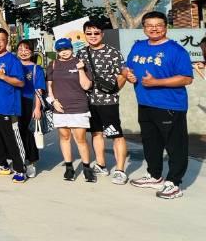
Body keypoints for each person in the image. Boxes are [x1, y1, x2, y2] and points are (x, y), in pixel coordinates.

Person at [123, 11, 194, 199]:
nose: (154, 28)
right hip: (145, 103)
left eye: (158, 25)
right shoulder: (138, 46)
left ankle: (174, 183)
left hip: (169, 105)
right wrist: (128, 75)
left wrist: (157, 82)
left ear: (165, 27)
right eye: (149, 25)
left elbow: (186, 79)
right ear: (144, 27)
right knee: (150, 143)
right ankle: (154, 175)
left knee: (175, 145)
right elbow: (127, 67)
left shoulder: (176, 51)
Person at [77, 20, 129, 185]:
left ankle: (120, 170)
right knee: (96, 133)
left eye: (96, 33)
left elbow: (124, 73)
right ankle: (101, 165)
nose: (92, 36)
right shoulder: (81, 53)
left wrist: (115, 90)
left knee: (116, 135)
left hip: (109, 102)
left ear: (102, 34)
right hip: (89, 102)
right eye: (89, 33)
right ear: (84, 34)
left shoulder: (113, 52)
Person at [47, 37, 95, 183]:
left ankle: (86, 168)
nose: (64, 52)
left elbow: (86, 86)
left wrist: (80, 69)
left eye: (66, 49)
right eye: (60, 50)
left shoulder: (80, 63)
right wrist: (53, 101)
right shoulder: (53, 64)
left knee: (80, 139)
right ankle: (69, 168)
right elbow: (49, 85)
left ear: (71, 48)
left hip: (78, 107)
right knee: (64, 137)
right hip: (60, 107)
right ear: (57, 51)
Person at [0, 28, 27, 183]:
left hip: (8, 107)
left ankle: (20, 169)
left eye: (1, 39)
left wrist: (3, 76)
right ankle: (1, 165)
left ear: (7, 41)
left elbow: (21, 82)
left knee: (12, 139)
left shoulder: (12, 60)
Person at [15, 40, 45, 178]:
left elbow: (39, 90)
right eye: (20, 49)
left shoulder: (36, 69)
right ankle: (18, 160)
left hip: (30, 103)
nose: (23, 51)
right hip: (14, 102)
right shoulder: (13, 66)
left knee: (29, 133)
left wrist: (37, 107)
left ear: (32, 51)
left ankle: (31, 162)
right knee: (16, 133)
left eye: (26, 49)